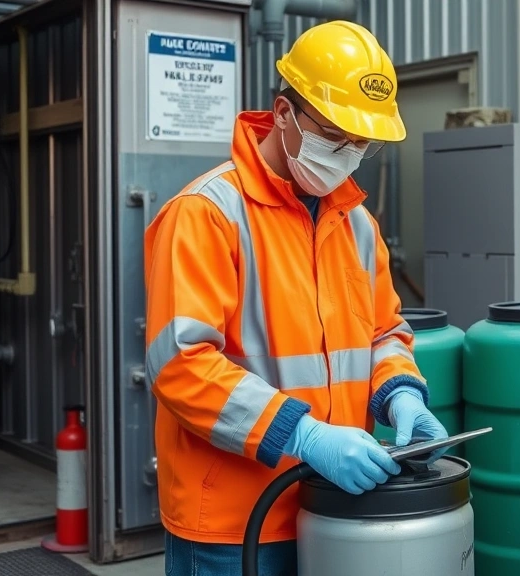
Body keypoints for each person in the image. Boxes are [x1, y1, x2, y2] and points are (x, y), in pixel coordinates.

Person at [143, 20, 449, 576]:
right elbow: (179, 365)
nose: (348, 155)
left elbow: (384, 333)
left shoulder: (357, 225)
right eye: (335, 136)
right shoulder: (208, 214)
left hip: (331, 507)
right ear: (283, 114)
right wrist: (303, 434)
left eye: (363, 144)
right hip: (233, 525)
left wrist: (400, 393)